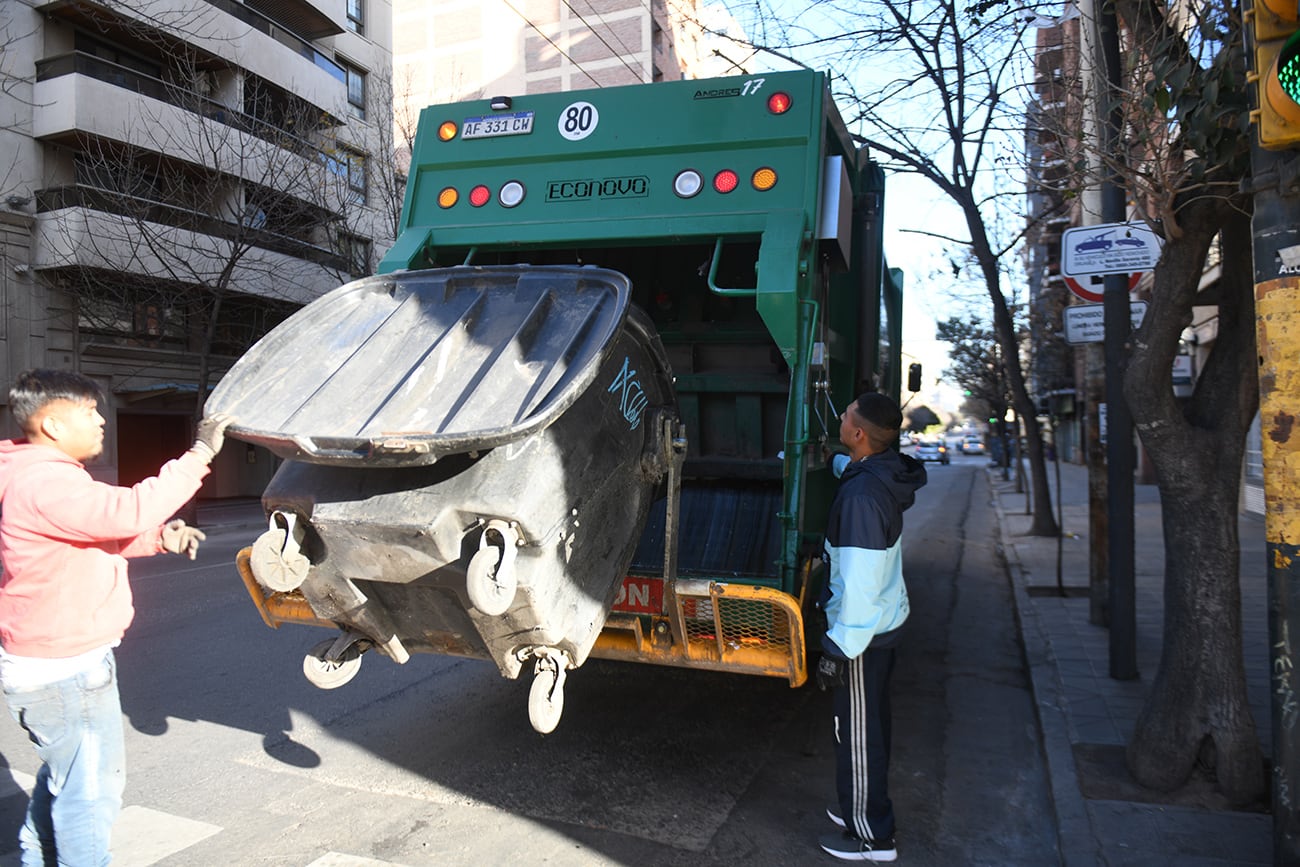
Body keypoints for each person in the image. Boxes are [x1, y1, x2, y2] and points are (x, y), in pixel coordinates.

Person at [0, 369, 234, 866]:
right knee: (88, 798)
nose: (101, 422)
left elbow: (81, 536)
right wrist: (200, 455)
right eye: (89, 412)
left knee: (63, 783)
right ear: (53, 425)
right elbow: (128, 510)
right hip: (67, 670)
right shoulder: (47, 480)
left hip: (46, 662)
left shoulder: (25, 471)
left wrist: (156, 539)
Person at [816, 392, 927, 863]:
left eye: (845, 415)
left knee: (858, 735)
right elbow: (855, 469)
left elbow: (859, 587)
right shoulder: (877, 473)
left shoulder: (863, 498)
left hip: (863, 638)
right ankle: (860, 807)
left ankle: (873, 837)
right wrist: (831, 459)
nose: (840, 417)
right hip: (883, 626)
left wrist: (837, 649)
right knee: (868, 727)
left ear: (859, 434)